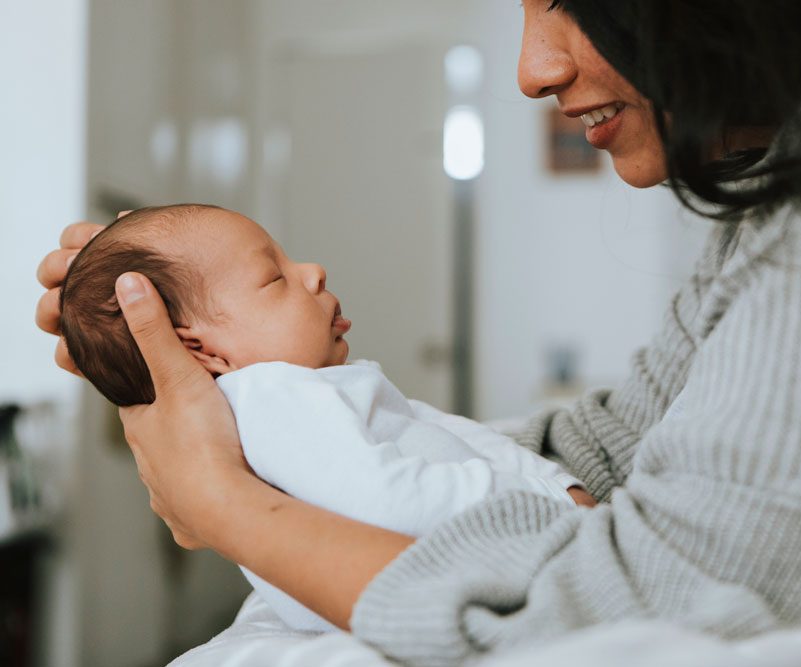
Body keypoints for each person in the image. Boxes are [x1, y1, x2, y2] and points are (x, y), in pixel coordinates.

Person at [35, 0, 801, 665]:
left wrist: (224, 498)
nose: (533, 67)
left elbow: (646, 612)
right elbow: (612, 451)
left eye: (568, 1)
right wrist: (219, 423)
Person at [59, 203, 592, 631]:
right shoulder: (272, 397)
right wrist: (548, 504)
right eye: (274, 278)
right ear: (204, 351)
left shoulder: (303, 391)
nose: (313, 272)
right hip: (418, 581)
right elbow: (387, 503)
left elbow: (439, 432)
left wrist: (550, 480)